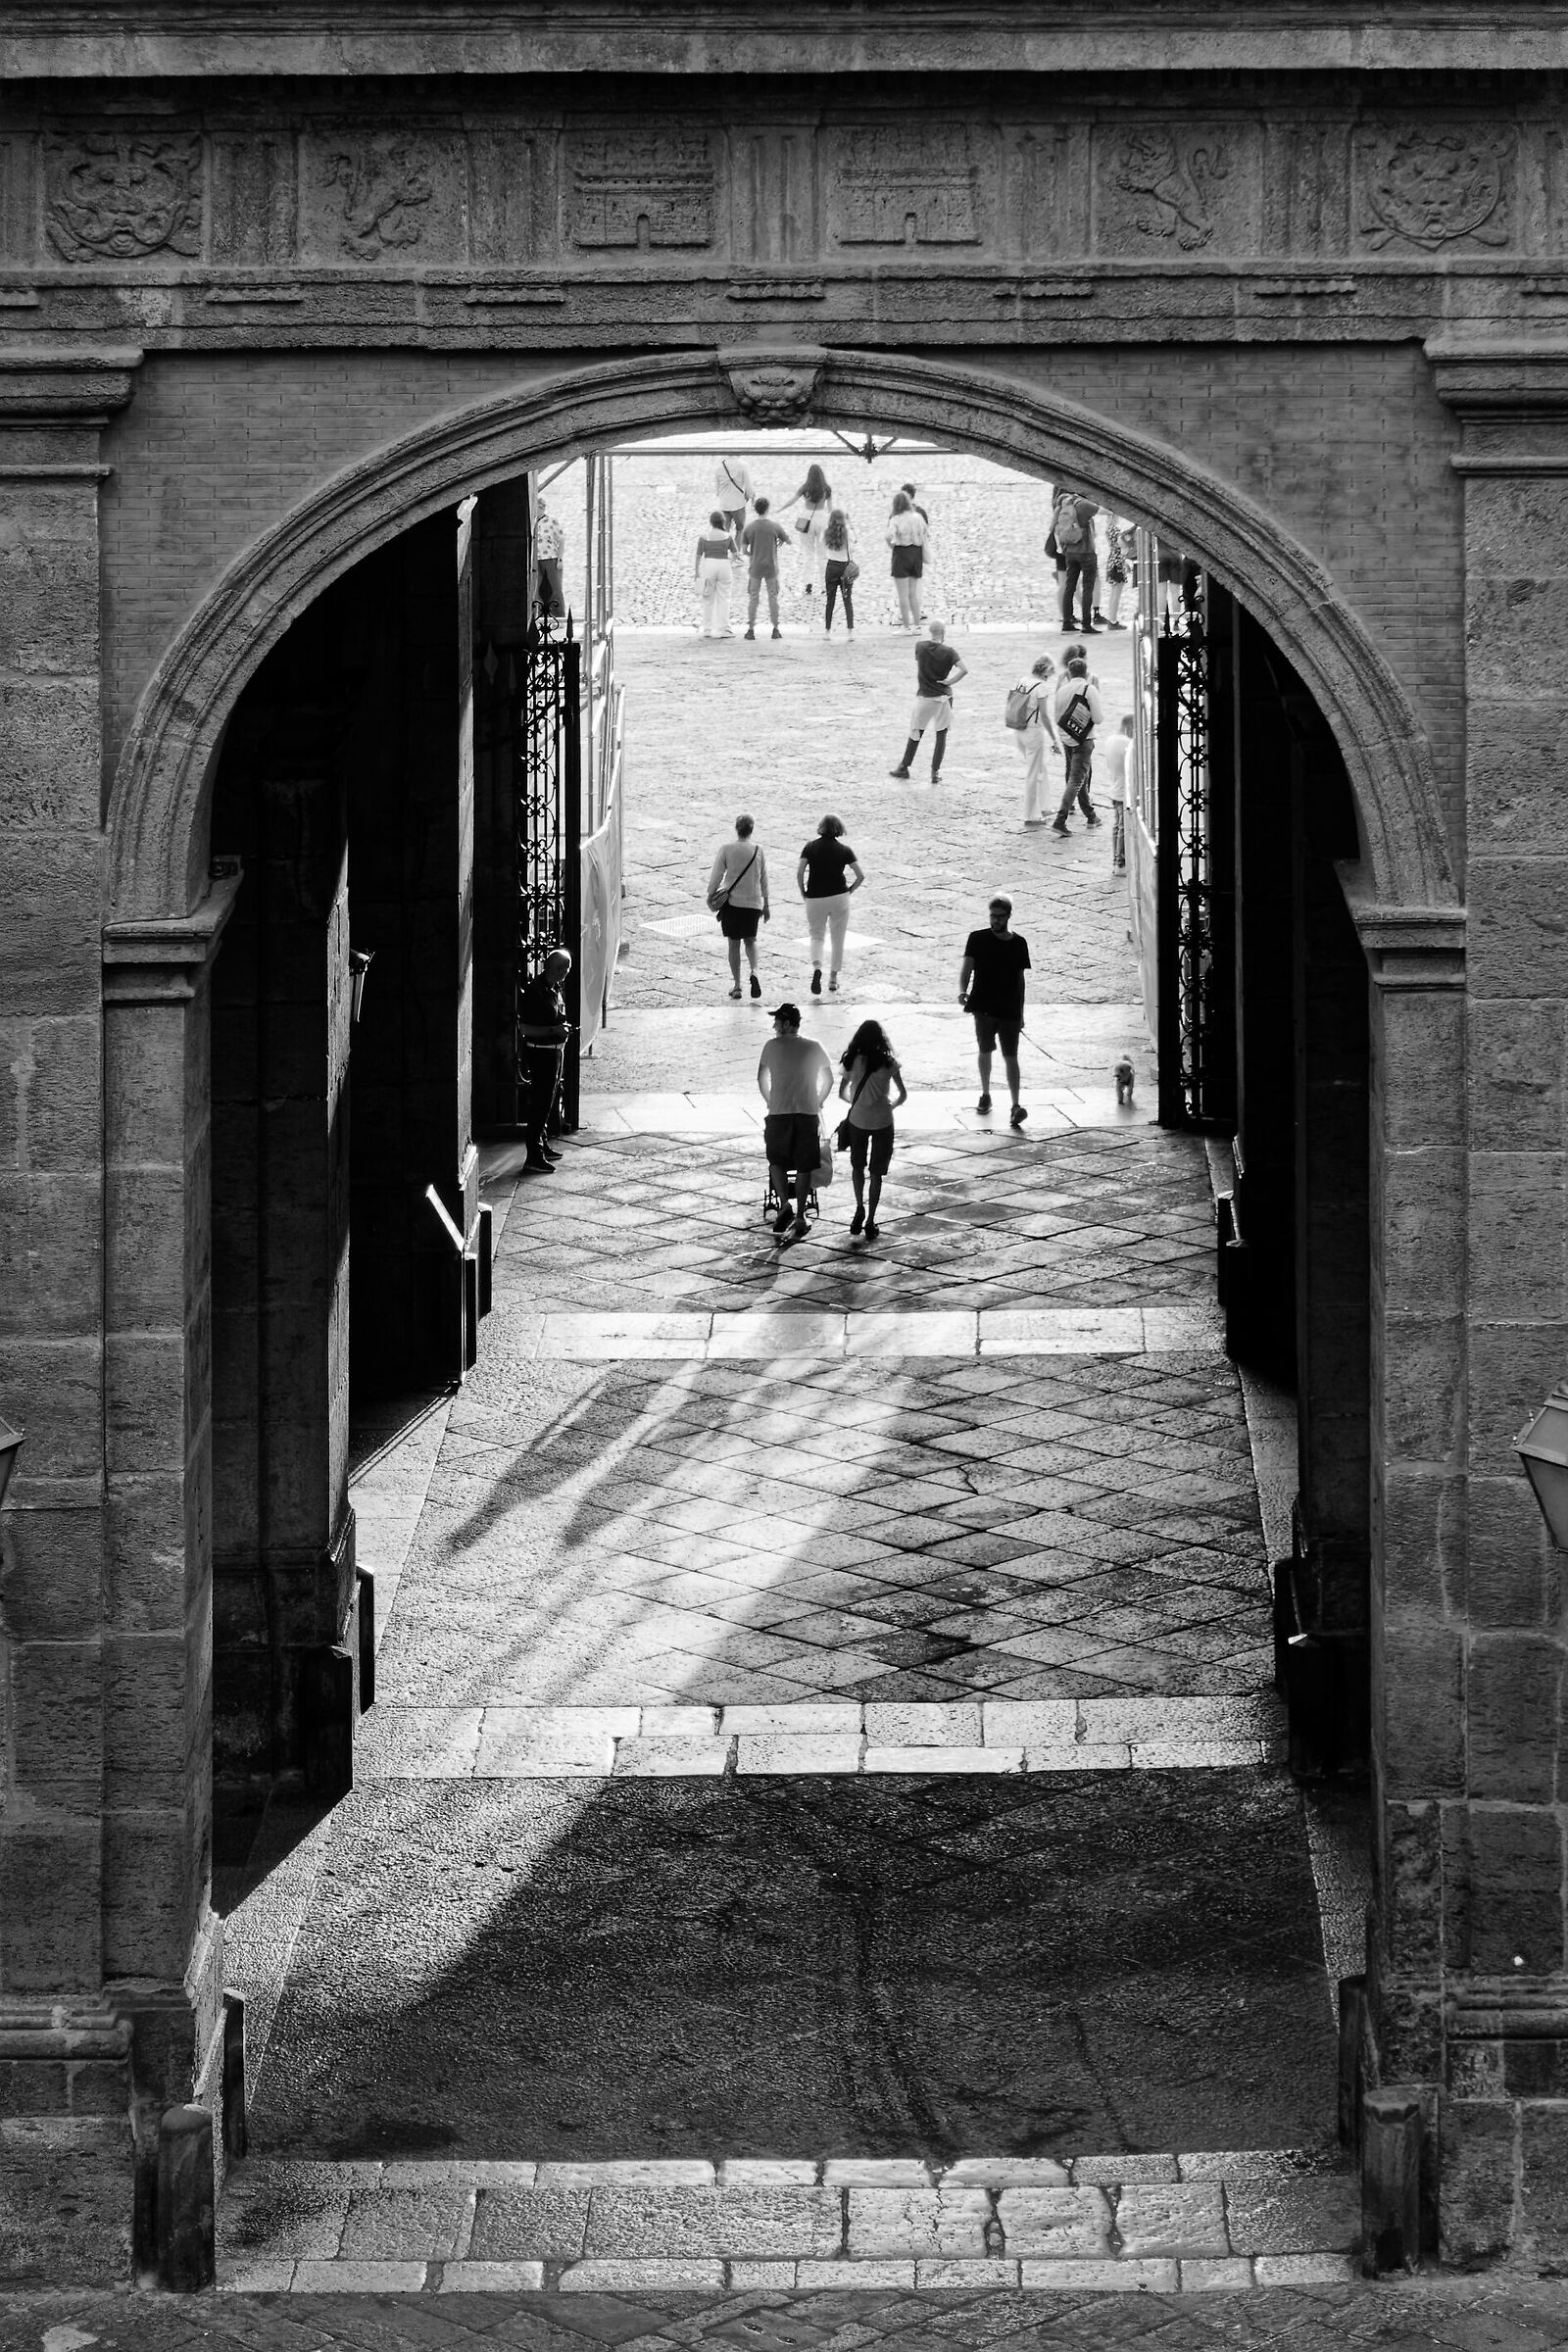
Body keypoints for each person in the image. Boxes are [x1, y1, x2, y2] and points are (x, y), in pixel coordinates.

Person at [758, 1003, 834, 1242]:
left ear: (787, 1023)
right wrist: (818, 1101)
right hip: (806, 1113)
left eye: (777, 1021)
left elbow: (761, 1078)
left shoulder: (771, 1046)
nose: (774, 1025)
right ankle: (800, 1215)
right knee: (804, 1166)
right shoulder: (814, 1047)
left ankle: (783, 1205)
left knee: (776, 1161)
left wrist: (771, 1101)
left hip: (779, 1113)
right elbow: (829, 1080)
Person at [960, 897, 1030, 1129]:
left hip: (1009, 1008)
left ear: (1008, 916)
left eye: (999, 916)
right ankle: (985, 1093)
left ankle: (1015, 1104)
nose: (995, 920)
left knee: (1011, 1056)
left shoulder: (1019, 943)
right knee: (985, 1050)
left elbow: (1020, 980)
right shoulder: (977, 938)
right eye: (992, 916)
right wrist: (962, 990)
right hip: (983, 1006)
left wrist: (1021, 1013)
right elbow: (967, 967)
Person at [838, 1019, 907, 1243]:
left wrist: (857, 1103)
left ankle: (859, 1207)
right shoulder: (888, 1063)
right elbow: (903, 1094)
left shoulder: (851, 1060)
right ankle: (871, 1220)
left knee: (857, 1166)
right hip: (882, 1121)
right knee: (876, 1172)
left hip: (858, 1119)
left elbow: (841, 1093)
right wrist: (891, 1105)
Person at [797, 813, 864, 997]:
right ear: (838, 829)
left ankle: (817, 966)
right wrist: (849, 890)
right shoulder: (845, 850)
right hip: (839, 897)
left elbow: (800, 871)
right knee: (838, 938)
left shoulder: (810, 847)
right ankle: (833, 979)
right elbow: (860, 876)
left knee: (817, 936)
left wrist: (803, 891)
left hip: (815, 898)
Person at [890, 618, 966, 782]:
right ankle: (935, 773)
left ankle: (904, 766)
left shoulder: (920, 647)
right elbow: (964, 669)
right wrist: (949, 681)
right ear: (943, 633)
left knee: (916, 731)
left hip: (925, 696)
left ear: (930, 632)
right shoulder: (949, 652)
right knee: (941, 735)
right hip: (943, 697)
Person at [517, 946, 572, 1171]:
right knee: (540, 1103)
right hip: (541, 1052)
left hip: (552, 1051)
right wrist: (554, 1031)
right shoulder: (535, 992)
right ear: (559, 969)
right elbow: (525, 1027)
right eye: (566, 968)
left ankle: (542, 1143)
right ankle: (534, 1154)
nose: (567, 972)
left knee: (548, 1101)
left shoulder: (552, 989)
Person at [707, 812, 770, 999]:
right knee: (751, 940)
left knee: (733, 943)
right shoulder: (759, 850)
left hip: (732, 903)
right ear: (752, 830)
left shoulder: (727, 849)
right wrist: (766, 904)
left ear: (737, 829)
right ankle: (755, 971)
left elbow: (717, 875)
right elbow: (764, 878)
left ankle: (737, 986)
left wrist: (711, 895)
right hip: (753, 903)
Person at [1051, 655, 1104, 834]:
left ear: (1069, 672)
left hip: (1067, 738)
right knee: (1077, 779)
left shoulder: (1062, 690)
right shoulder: (1090, 689)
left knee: (1078, 776)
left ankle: (1090, 815)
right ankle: (1060, 819)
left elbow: (1057, 717)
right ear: (1086, 672)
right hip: (1084, 739)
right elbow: (1098, 718)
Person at [1008, 653, 1060, 825]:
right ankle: (1030, 815)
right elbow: (1045, 716)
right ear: (1046, 670)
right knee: (1033, 773)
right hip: (1033, 732)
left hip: (1019, 729)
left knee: (1040, 769)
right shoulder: (1041, 687)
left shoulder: (1023, 681)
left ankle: (1044, 805)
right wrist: (1054, 738)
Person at [780, 462, 833, 597]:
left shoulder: (805, 488)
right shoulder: (827, 489)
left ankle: (808, 583)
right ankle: (824, 585)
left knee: (809, 554)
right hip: (822, 519)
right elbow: (831, 509)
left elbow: (792, 500)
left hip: (807, 519)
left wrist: (781, 508)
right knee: (823, 555)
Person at [741, 494, 790, 639]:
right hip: (771, 567)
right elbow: (786, 539)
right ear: (767, 509)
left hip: (755, 567)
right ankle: (775, 629)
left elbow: (744, 550)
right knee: (773, 597)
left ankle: (750, 630)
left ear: (756, 510)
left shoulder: (749, 528)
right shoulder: (774, 526)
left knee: (753, 597)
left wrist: (751, 553)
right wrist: (780, 542)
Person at [1053, 486, 1100, 634]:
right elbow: (1102, 510)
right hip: (1086, 552)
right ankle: (1086, 623)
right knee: (1087, 587)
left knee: (1069, 586)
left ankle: (1067, 622)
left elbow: (1054, 528)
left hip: (1070, 552)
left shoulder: (1062, 505)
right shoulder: (1082, 504)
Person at [885, 489, 926, 629]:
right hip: (916, 554)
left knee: (903, 594)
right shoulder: (918, 517)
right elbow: (925, 532)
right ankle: (917, 626)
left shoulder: (895, 519)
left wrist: (892, 545)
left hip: (901, 554)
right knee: (913, 593)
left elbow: (889, 536)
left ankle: (907, 627)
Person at [694, 508, 736, 637]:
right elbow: (735, 554)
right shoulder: (728, 537)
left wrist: (697, 572)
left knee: (707, 597)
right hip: (724, 565)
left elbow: (698, 556)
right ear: (722, 522)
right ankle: (724, 628)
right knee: (724, 597)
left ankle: (707, 628)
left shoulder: (704, 537)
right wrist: (730, 563)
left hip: (709, 564)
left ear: (711, 522)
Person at [1102, 713, 1135, 870]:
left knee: (1117, 826)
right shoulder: (1127, 743)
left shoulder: (1110, 740)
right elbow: (1134, 769)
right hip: (1124, 791)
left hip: (1114, 788)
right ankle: (1120, 863)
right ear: (1130, 726)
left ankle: (1116, 861)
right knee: (1123, 827)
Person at [821, 507, 856, 633]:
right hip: (845, 568)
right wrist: (850, 524)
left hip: (831, 567)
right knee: (847, 600)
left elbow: (822, 544)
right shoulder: (847, 532)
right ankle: (850, 631)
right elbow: (854, 547)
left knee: (830, 600)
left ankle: (827, 630)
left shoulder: (826, 532)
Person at [534, 500, 565, 618]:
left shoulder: (551, 521)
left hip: (550, 557)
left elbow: (561, 539)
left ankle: (559, 615)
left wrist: (560, 559)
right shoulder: (533, 522)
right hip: (536, 559)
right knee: (538, 589)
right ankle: (541, 615)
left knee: (554, 587)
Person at [1104, 520, 1135, 629]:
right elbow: (1122, 544)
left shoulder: (1109, 528)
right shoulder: (1115, 530)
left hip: (1113, 562)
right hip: (1117, 564)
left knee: (1114, 593)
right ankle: (1113, 620)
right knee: (1116, 594)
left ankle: (1112, 618)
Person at [715, 456, 753, 542]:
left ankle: (723, 551)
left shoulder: (720, 467)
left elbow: (717, 491)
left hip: (724, 504)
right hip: (738, 503)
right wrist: (749, 496)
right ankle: (736, 552)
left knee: (724, 530)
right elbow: (748, 487)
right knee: (740, 530)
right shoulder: (743, 465)